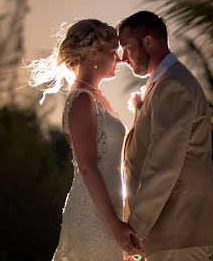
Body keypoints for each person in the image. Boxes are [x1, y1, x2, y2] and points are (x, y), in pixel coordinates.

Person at [117, 11, 213, 261]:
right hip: (172, 225)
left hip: (181, 222)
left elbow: (163, 163)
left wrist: (136, 228)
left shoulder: (173, 85)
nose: (123, 58)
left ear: (148, 42)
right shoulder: (164, 83)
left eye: (127, 47)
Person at [29, 18, 142, 260]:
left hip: (110, 208)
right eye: (113, 52)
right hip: (94, 214)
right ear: (93, 54)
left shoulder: (97, 97)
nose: (121, 59)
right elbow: (88, 168)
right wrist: (114, 225)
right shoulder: (82, 100)